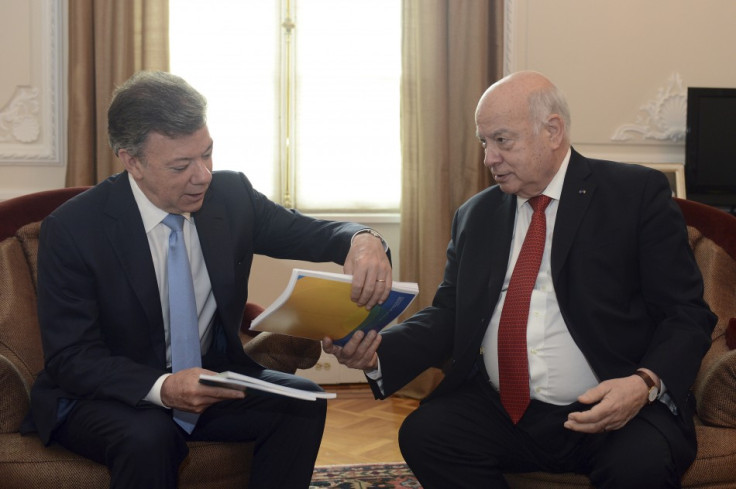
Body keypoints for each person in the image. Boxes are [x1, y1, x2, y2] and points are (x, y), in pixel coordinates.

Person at [324, 71, 717, 488]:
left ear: (552, 131)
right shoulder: (476, 216)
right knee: (427, 435)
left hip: (615, 405)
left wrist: (643, 384)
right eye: (483, 142)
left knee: (641, 465)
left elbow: (686, 313)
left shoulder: (632, 194)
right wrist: (378, 350)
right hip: (505, 409)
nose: (489, 158)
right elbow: (450, 313)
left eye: (502, 140)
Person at [26, 71, 392, 489]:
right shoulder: (75, 228)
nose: (202, 175)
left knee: (302, 403)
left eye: (208, 154)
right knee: (150, 436)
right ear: (132, 161)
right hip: (107, 395)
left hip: (209, 376)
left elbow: (316, 233)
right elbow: (72, 357)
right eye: (182, 165)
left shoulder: (230, 197)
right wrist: (162, 387)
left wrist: (364, 240)